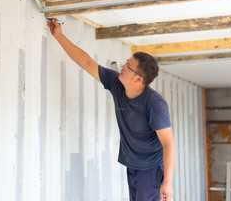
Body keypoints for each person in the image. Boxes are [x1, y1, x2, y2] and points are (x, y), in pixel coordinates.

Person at [47, 19, 175, 201]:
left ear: (138, 79)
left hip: (150, 168)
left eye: (128, 66)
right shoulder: (117, 84)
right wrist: (59, 36)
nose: (122, 66)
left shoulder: (155, 104)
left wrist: (167, 182)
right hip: (132, 165)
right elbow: (86, 62)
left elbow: (169, 144)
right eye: (125, 62)